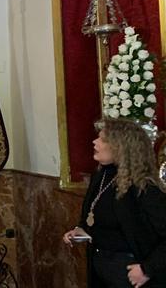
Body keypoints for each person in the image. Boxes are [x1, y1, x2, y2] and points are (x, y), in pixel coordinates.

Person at [62, 119, 166, 288]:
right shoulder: (101, 176)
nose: (94, 142)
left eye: (102, 139)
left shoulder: (144, 187)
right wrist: (81, 230)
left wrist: (147, 269)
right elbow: (94, 217)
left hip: (132, 274)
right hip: (101, 270)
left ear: (121, 147)